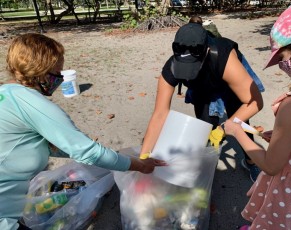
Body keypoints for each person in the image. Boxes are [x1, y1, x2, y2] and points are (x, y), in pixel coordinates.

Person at [0, 33, 166, 230]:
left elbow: (35, 144)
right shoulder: (31, 102)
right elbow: (85, 151)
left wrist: (107, 156)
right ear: (41, 71)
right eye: (57, 71)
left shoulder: (7, 95)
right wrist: (139, 165)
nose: (60, 78)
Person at [140, 17, 264, 182]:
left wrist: (227, 126)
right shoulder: (170, 68)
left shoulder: (224, 58)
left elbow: (255, 102)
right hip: (202, 86)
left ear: (206, 52)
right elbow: (160, 114)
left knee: (240, 121)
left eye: (192, 67)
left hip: (227, 79)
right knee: (206, 124)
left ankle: (250, 161)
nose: (189, 71)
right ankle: (208, 164)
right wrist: (144, 156)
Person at [224, 2, 291, 229]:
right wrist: (290, 137)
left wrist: (237, 131)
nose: (282, 65)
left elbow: (271, 165)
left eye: (282, 58)